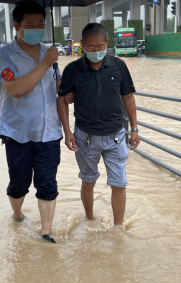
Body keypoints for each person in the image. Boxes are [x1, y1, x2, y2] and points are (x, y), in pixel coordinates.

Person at [0, 0, 66, 244]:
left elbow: (60, 90)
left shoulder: (51, 52)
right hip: (17, 132)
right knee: (19, 184)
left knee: (47, 184)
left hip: (49, 132)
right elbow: (16, 89)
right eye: (31, 24)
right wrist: (45, 63)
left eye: (41, 24)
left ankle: (46, 231)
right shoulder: (2, 54)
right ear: (17, 25)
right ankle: (17, 213)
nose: (38, 29)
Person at [57, 23, 140, 228]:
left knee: (119, 183)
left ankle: (118, 228)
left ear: (107, 44)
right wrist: (67, 131)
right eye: (92, 48)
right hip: (85, 137)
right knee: (88, 180)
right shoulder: (72, 69)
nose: (96, 51)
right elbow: (61, 99)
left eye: (100, 47)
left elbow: (128, 97)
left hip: (116, 136)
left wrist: (135, 129)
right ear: (83, 44)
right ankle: (90, 218)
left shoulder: (119, 65)